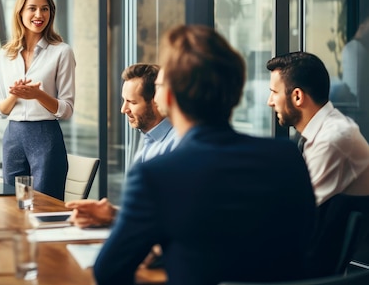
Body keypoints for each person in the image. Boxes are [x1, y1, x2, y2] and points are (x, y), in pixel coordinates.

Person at [94, 25, 316, 285]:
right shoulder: (287, 156)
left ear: (166, 96)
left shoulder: (155, 176)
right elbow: (303, 245)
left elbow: (108, 272)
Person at [66, 63, 176, 227]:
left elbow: (170, 216)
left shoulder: (176, 146)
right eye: (124, 101)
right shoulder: (147, 139)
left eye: (132, 102)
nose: (123, 109)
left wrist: (113, 216)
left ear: (156, 102)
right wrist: (112, 214)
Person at [0, 0, 75, 200]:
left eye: (45, 8)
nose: (39, 15)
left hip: (46, 138)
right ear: (20, 12)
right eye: (32, 8)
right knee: (11, 205)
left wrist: (38, 95)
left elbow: (66, 109)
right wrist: (16, 95)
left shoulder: (61, 52)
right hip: (13, 138)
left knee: (45, 205)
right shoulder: (6, 54)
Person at [266, 51, 369, 206]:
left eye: (274, 92)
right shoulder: (321, 133)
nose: (270, 102)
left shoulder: (331, 140)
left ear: (297, 97)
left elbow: (300, 209)